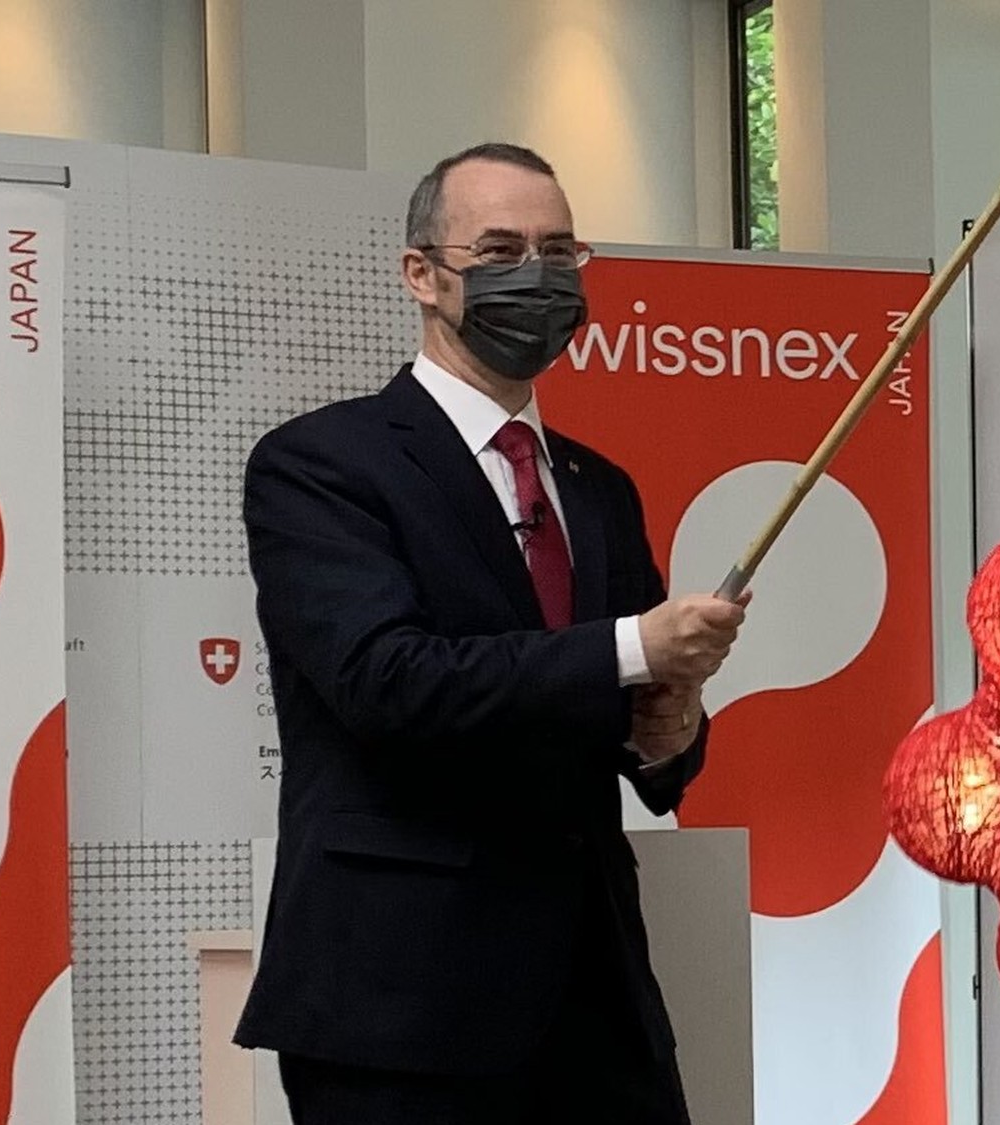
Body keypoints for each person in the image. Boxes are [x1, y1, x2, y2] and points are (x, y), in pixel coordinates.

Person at [234, 142, 745, 1124]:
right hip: (401, 1002)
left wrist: (667, 729)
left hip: (597, 999)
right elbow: (384, 679)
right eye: (502, 248)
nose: (537, 277)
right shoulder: (320, 464)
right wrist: (635, 646)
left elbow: (637, 738)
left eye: (560, 252)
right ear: (420, 274)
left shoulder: (599, 487)